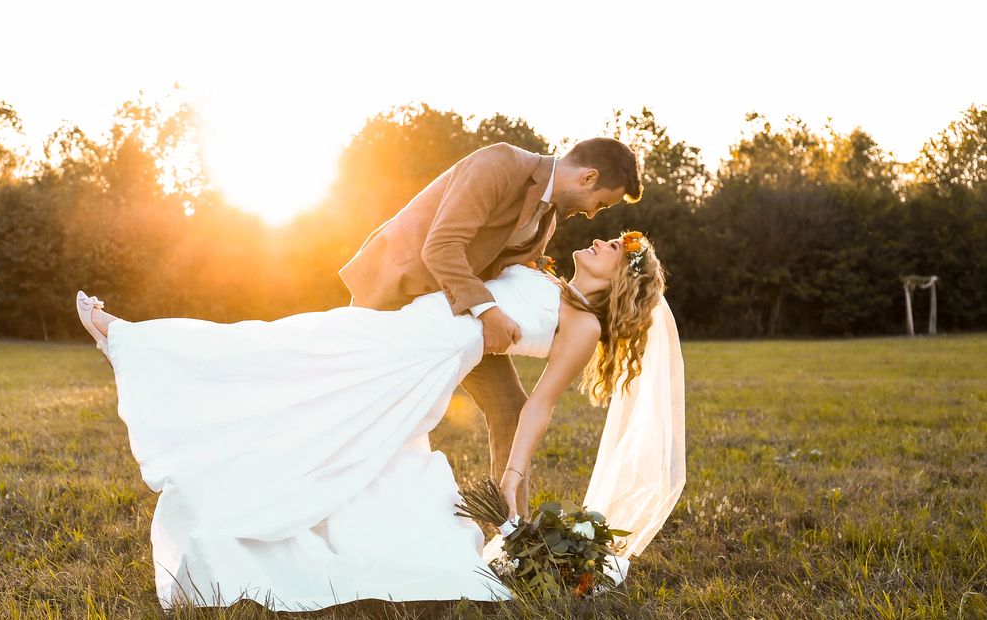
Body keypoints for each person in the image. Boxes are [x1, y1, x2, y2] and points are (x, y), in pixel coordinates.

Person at [74, 231, 684, 612]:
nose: (601, 242)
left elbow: (541, 404)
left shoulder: (584, 325)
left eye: (614, 249)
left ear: (622, 281)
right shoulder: (545, 272)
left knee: (294, 355)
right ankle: (141, 349)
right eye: (606, 239)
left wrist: (513, 476)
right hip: (409, 327)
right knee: (299, 358)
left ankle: (134, 344)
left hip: (421, 357)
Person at [339, 139, 643, 516]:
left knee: (510, 408)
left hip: (460, 317)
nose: (593, 214)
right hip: (397, 292)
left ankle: (514, 531)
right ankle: (341, 497)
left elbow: (498, 266)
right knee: (359, 401)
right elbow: (442, 246)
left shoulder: (547, 218)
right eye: (601, 203)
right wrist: (489, 313)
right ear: (589, 176)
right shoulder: (501, 163)